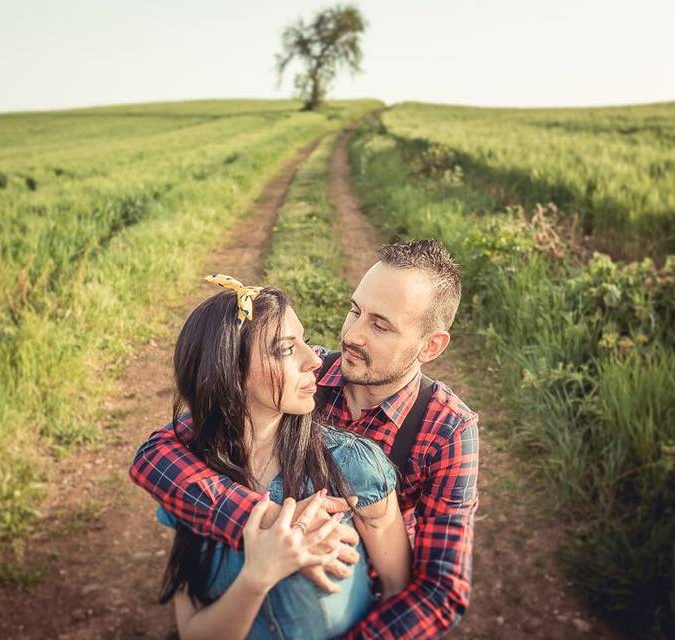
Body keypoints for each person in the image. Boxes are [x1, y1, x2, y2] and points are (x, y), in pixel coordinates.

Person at [131, 240, 479, 638]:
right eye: (355, 310)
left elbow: (439, 591)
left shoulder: (448, 428)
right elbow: (157, 455)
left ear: (430, 346)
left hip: (357, 598)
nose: (352, 335)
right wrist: (267, 523)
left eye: (380, 325)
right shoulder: (303, 379)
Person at [153, 276, 412, 639]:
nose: (314, 361)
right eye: (286, 349)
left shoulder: (353, 466)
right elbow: (195, 631)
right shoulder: (190, 479)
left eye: (304, 341)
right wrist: (258, 576)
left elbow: (398, 591)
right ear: (231, 373)